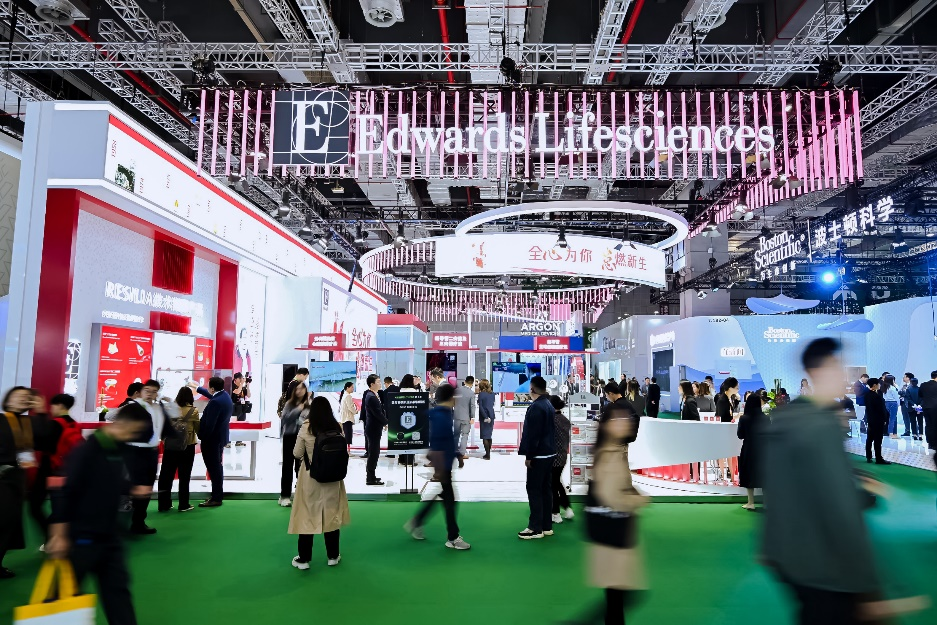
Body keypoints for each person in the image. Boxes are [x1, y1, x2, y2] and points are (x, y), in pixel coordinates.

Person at [760, 338, 897, 625]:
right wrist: (868, 586)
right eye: (838, 367)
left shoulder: (787, 418)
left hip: (789, 557)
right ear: (821, 370)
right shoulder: (820, 426)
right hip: (826, 565)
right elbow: (839, 507)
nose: (843, 377)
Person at [46, 402, 151, 624]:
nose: (133, 437)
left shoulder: (120, 450)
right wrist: (59, 535)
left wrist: (132, 488)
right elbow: (67, 492)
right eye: (133, 431)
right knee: (61, 598)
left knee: (118, 595)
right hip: (80, 539)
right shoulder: (85, 451)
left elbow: (109, 481)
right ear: (121, 423)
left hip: (110, 538)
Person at [585, 402, 647, 625]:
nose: (625, 423)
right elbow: (611, 496)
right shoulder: (610, 454)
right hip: (614, 535)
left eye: (626, 418)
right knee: (620, 595)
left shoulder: (612, 449)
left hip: (614, 533)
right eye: (618, 420)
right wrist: (638, 500)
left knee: (617, 596)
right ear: (607, 425)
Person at [404, 384, 470, 550]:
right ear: (451, 397)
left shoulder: (444, 414)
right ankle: (452, 537)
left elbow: (446, 441)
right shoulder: (441, 416)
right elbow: (438, 444)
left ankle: (418, 521)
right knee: (449, 500)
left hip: (445, 463)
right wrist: (440, 469)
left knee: (446, 497)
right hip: (443, 465)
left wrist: (457, 455)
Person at [289, 396, 350, 569]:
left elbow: (296, 453)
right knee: (331, 515)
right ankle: (333, 556)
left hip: (311, 477)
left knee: (307, 516)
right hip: (333, 478)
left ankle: (304, 559)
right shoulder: (337, 427)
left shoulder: (307, 427)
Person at [0, 387, 39, 578]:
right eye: (19, 396)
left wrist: (41, 411)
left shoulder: (28, 423)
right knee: (4, 521)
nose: (24, 399)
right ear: (8, 400)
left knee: (9, 524)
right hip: (2, 478)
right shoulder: (1, 420)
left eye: (27, 397)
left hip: (16, 479)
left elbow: (46, 437)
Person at [124, 379, 171, 535]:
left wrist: (169, 401)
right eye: (147, 390)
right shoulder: (133, 406)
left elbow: (174, 416)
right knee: (136, 487)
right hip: (135, 451)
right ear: (141, 391)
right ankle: (126, 520)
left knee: (147, 487)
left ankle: (138, 522)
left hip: (152, 452)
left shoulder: (158, 407)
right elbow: (112, 416)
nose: (150, 394)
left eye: (154, 391)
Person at [518, 376, 556, 540]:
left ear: (532, 389)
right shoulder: (548, 404)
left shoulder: (535, 407)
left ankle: (535, 528)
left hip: (539, 455)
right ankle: (546, 526)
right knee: (546, 490)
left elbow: (533, 435)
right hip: (550, 453)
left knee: (534, 489)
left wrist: (529, 455)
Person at [157, 387, 200, 513]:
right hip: (187, 446)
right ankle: (183, 504)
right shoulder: (193, 411)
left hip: (170, 446)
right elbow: (198, 429)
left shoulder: (170, 409)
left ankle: (164, 504)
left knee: (166, 475)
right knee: (184, 476)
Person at [193, 377, 234, 507]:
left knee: (214, 468)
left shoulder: (215, 402)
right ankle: (217, 495)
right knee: (217, 467)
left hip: (211, 440)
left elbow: (209, 425)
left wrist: (201, 436)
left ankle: (216, 497)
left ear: (212, 388)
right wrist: (197, 388)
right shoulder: (224, 396)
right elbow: (212, 396)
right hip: (220, 438)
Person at [279, 382, 311, 506]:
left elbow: (310, 420)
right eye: (297, 389)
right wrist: (298, 409)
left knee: (301, 467)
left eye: (302, 389)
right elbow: (284, 419)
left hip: (303, 437)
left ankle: (301, 495)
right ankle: (285, 496)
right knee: (287, 465)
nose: (299, 391)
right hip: (289, 436)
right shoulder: (289, 404)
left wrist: (302, 419)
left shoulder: (309, 405)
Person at [737, 392, 764, 510]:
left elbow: (740, 435)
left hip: (749, 448)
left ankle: (750, 502)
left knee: (748, 474)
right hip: (763, 449)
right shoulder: (765, 418)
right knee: (764, 474)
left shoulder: (744, 418)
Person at [550, 395, 574, 524]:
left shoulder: (550, 420)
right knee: (557, 482)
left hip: (552, 456)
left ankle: (555, 513)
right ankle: (567, 508)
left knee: (553, 485)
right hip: (563, 455)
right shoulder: (565, 420)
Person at [362, 374, 387, 486]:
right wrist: (386, 422)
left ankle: (371, 476)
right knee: (373, 454)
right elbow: (377, 414)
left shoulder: (373, 394)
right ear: (372, 384)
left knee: (374, 453)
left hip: (374, 428)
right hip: (373, 429)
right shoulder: (371, 397)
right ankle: (370, 478)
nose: (380, 384)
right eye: (378, 382)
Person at [864, 378, 890, 465]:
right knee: (878, 440)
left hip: (871, 420)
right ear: (875, 385)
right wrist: (885, 419)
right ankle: (878, 458)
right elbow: (881, 409)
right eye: (878, 384)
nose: (880, 385)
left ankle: (869, 456)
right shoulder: (876, 396)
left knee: (870, 438)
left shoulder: (867, 395)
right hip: (878, 420)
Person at [453, 375, 476, 467]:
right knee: (465, 435)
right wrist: (472, 417)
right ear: (472, 383)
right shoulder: (471, 393)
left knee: (456, 435)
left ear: (465, 381)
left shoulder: (456, 390)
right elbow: (472, 406)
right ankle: (462, 453)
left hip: (456, 416)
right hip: (466, 417)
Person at [477, 379, 496, 460]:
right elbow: (492, 404)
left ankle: (487, 455)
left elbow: (481, 407)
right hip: (491, 415)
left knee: (484, 435)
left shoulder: (481, 394)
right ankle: (488, 453)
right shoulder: (492, 394)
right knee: (489, 435)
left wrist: (485, 417)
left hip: (484, 416)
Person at [230, 373, 251, 447]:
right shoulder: (232, 386)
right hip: (234, 408)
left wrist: (247, 386)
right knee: (232, 425)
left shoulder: (242, 387)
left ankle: (239, 441)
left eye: (242, 379)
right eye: (240, 379)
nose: (242, 380)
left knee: (241, 424)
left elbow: (248, 395)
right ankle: (228, 442)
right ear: (236, 379)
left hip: (242, 408)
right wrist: (242, 384)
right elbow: (237, 392)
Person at [881, 375, 900, 439]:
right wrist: (898, 404)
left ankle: (894, 433)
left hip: (887, 403)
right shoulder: (892, 388)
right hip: (893, 403)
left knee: (892, 418)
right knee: (892, 418)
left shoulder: (884, 387)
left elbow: (884, 397)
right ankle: (891, 433)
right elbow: (896, 397)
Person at [339, 381, 356, 449]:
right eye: (352, 387)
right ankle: (347, 450)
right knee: (348, 434)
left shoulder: (344, 395)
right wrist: (355, 411)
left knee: (347, 433)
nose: (353, 389)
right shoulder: (348, 396)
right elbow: (350, 407)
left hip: (345, 418)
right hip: (347, 418)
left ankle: (347, 449)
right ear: (347, 388)